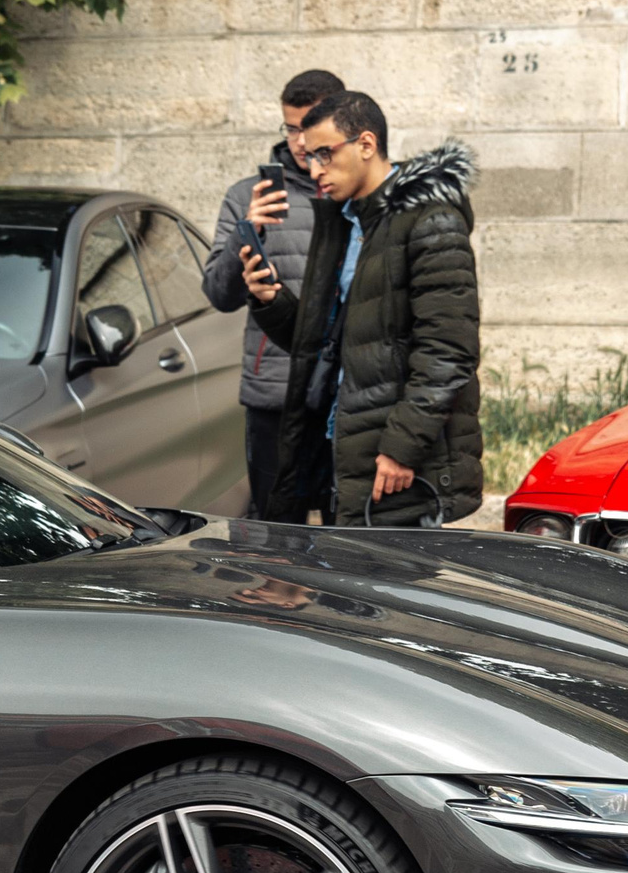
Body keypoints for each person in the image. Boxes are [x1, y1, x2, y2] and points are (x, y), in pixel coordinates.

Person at [241, 89, 485, 528]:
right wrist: (270, 300)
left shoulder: (431, 221)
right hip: (344, 447)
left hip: (397, 463)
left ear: (366, 145)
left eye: (324, 155)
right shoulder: (343, 221)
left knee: (392, 590)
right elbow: (324, 341)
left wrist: (401, 448)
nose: (314, 170)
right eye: (308, 157)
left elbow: (449, 350)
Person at [202, 68, 342, 520]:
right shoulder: (248, 194)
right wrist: (250, 227)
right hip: (275, 394)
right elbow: (219, 295)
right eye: (290, 127)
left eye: (309, 127)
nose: (300, 142)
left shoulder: (357, 191)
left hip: (346, 395)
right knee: (278, 532)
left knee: (353, 537)